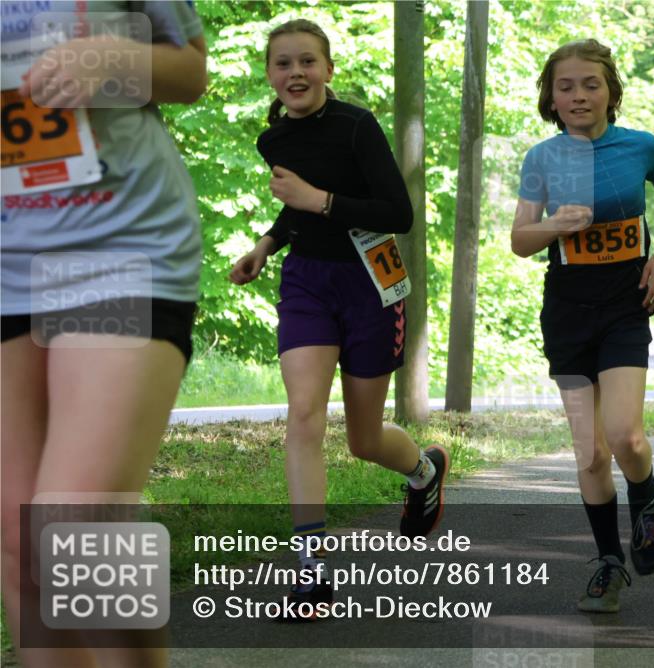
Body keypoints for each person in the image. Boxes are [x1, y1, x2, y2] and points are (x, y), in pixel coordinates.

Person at [1, 2, 207, 665]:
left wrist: (113, 60)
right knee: (18, 545)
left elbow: (190, 71)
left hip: (117, 250)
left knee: (72, 529)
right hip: (5, 268)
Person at [229, 19, 447, 617]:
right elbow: (296, 209)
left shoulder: (357, 125)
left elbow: (397, 213)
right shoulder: (273, 139)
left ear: (328, 69)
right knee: (303, 414)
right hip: (307, 282)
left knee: (363, 439)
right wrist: (267, 244)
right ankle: (312, 570)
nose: (295, 72)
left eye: (307, 61)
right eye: (282, 63)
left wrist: (319, 201)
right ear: (269, 75)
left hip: (370, 282)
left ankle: (423, 471)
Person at [511, 39, 654, 613]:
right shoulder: (542, 158)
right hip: (567, 311)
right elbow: (520, 239)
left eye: (591, 84)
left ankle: (647, 493)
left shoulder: (640, 146)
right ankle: (610, 565)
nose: (579, 95)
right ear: (551, 98)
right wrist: (555, 226)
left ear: (611, 91)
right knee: (589, 454)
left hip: (624, 306)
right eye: (566, 86)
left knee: (625, 437)